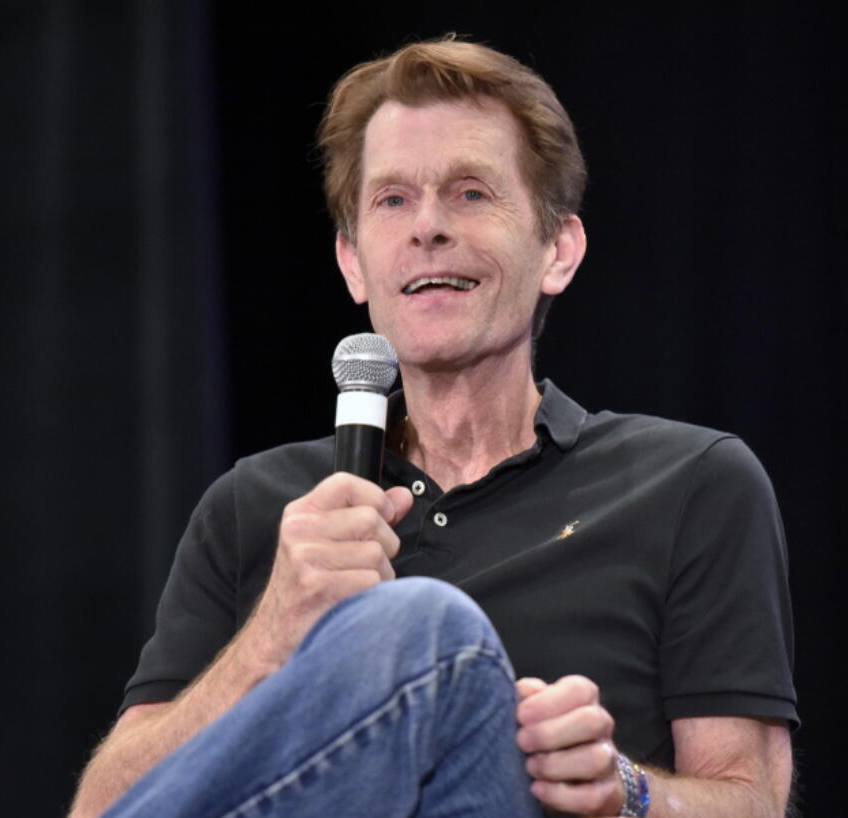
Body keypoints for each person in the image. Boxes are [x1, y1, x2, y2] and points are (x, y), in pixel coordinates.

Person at [70, 36, 797, 818]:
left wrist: (623, 789)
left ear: (558, 249)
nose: (427, 228)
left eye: (471, 193)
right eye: (392, 200)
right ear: (352, 262)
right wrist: (269, 639)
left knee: (425, 629)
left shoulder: (689, 484)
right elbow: (105, 808)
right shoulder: (258, 507)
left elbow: (749, 799)